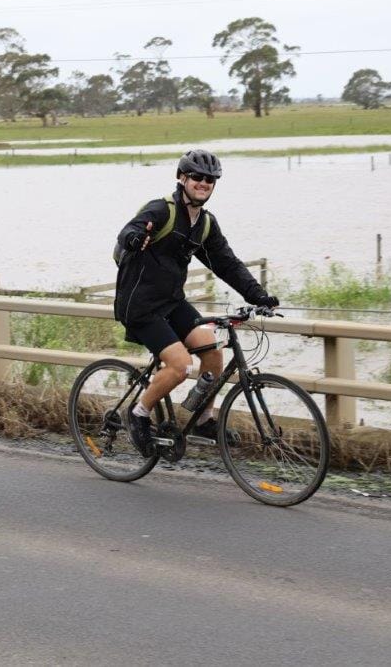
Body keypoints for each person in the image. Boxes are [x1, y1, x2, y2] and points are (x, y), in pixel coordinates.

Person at [113, 149, 278, 456]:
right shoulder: (161, 210)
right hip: (140, 305)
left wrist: (259, 296)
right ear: (182, 178)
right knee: (181, 365)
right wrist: (135, 239)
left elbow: (227, 264)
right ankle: (137, 415)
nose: (204, 183)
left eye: (210, 180)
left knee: (213, 353)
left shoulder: (204, 224)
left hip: (172, 302)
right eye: (198, 178)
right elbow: (129, 231)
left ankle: (202, 418)